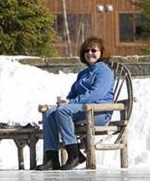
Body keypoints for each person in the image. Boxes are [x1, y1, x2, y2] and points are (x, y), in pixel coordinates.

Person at [36, 36, 115, 171]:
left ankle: (74, 154)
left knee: (63, 111)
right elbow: (73, 93)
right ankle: (52, 159)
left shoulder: (105, 71)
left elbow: (96, 94)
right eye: (86, 50)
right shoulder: (83, 73)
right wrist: (65, 101)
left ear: (102, 52)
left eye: (94, 50)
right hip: (82, 109)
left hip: (99, 111)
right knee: (49, 112)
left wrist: (71, 103)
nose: (90, 53)